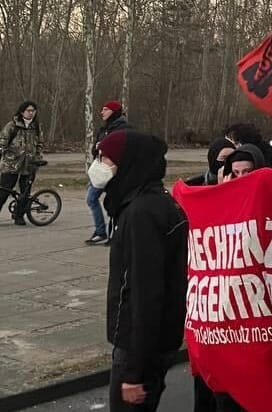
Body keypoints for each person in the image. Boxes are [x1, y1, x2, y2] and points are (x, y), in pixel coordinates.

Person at [91, 130, 187, 411]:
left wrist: (134, 371)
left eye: (105, 158)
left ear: (130, 163)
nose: (99, 165)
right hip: (152, 342)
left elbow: (145, 294)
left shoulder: (141, 214)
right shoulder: (147, 203)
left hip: (140, 347)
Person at [85, 101, 130, 244]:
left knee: (114, 203)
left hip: (115, 173)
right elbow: (95, 149)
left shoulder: (123, 129)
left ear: (114, 111)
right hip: (101, 172)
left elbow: (124, 150)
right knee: (91, 198)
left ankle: (115, 234)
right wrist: (97, 148)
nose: (102, 112)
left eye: (105, 109)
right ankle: (100, 231)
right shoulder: (103, 129)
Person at [0, 100, 44, 227]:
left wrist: (37, 157)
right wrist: (1, 147)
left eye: (33, 111)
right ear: (22, 112)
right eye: (28, 110)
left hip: (29, 165)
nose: (31, 113)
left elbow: (40, 143)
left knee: (25, 193)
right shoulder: (12, 125)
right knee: (3, 192)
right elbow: (1, 138)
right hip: (12, 164)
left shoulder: (36, 126)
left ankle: (19, 215)